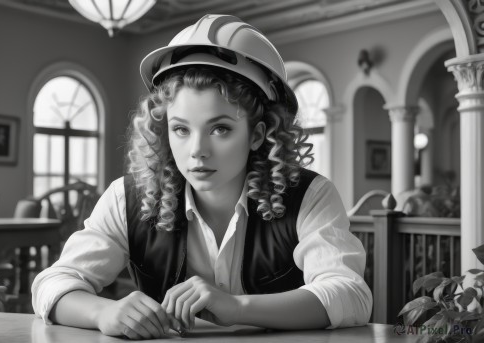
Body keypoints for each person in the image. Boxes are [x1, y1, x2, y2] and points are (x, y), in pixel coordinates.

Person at [32, 14, 372, 340]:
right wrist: (102, 313)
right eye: (181, 129)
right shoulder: (127, 197)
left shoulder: (310, 195)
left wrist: (237, 308)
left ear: (257, 135)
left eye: (220, 129)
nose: (197, 150)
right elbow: (53, 284)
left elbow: (350, 296)